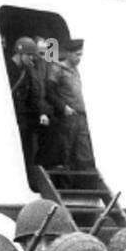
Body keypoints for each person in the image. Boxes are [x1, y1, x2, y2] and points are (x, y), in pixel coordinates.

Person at [46, 39, 95, 181]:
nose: (79, 58)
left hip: (80, 115)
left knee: (83, 150)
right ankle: (64, 182)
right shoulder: (57, 68)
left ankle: (83, 180)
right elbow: (49, 91)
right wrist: (63, 107)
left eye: (80, 55)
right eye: (76, 55)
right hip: (67, 115)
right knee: (65, 150)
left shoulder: (75, 71)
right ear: (68, 53)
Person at [8, 36, 52, 186]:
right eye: (30, 55)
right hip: (11, 117)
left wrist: (41, 113)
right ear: (20, 53)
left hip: (22, 118)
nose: (32, 58)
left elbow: (34, 95)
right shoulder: (8, 70)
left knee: (28, 150)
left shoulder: (26, 71)